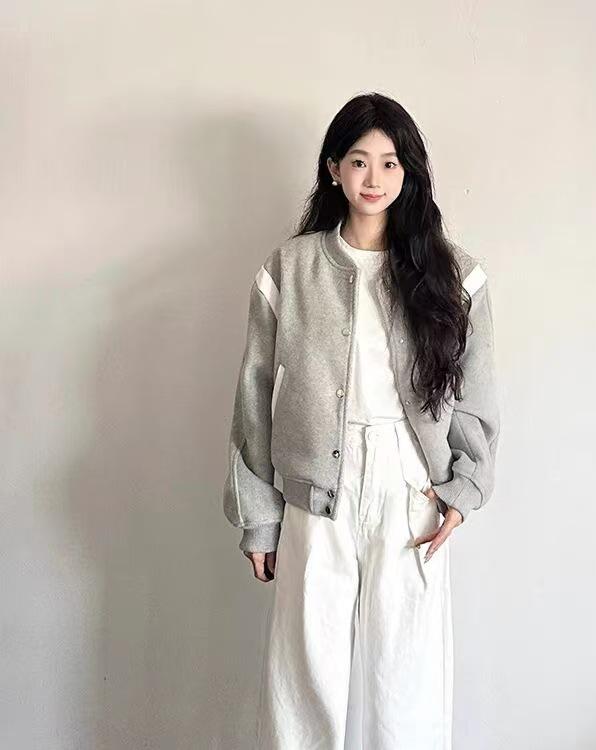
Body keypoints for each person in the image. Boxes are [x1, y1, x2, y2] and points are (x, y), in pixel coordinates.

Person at [222, 92, 500, 749]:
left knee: (408, 677)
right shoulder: (289, 269)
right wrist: (259, 518)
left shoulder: (455, 275)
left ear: (409, 173)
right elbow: (254, 396)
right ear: (333, 170)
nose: (374, 177)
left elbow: (477, 397)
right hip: (315, 487)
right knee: (304, 674)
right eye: (358, 161)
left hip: (410, 487)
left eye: (390, 162)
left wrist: (461, 492)